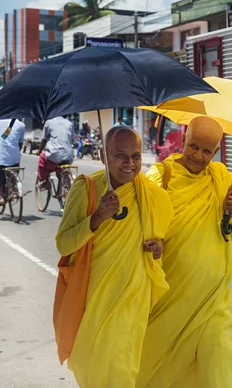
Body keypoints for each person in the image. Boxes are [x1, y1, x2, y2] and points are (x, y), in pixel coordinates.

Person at [55, 126, 174, 387]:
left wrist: (157, 250)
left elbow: (158, 243)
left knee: (122, 370)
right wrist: (96, 218)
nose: (130, 163)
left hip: (133, 299)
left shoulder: (152, 195)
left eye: (136, 156)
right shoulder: (86, 189)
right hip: (96, 297)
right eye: (120, 155)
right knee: (91, 367)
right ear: (103, 155)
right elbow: (63, 244)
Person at [137, 116, 232, 388]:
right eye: (194, 146)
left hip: (213, 300)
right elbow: (139, 228)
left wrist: (230, 213)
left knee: (218, 362)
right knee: (160, 371)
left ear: (215, 152)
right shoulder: (160, 177)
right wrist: (154, 243)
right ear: (183, 141)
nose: (198, 155)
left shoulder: (221, 180)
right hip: (170, 298)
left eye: (207, 151)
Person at [0, 119, 26, 204]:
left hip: (0, 159)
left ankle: (1, 196)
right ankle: (12, 187)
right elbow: (20, 144)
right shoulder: (21, 125)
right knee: (11, 175)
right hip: (15, 159)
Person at [37, 116, 75, 191]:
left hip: (54, 155)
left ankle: (45, 182)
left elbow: (44, 140)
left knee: (42, 158)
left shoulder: (49, 122)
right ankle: (64, 185)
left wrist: (39, 151)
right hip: (68, 156)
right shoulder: (70, 124)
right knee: (61, 167)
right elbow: (72, 140)